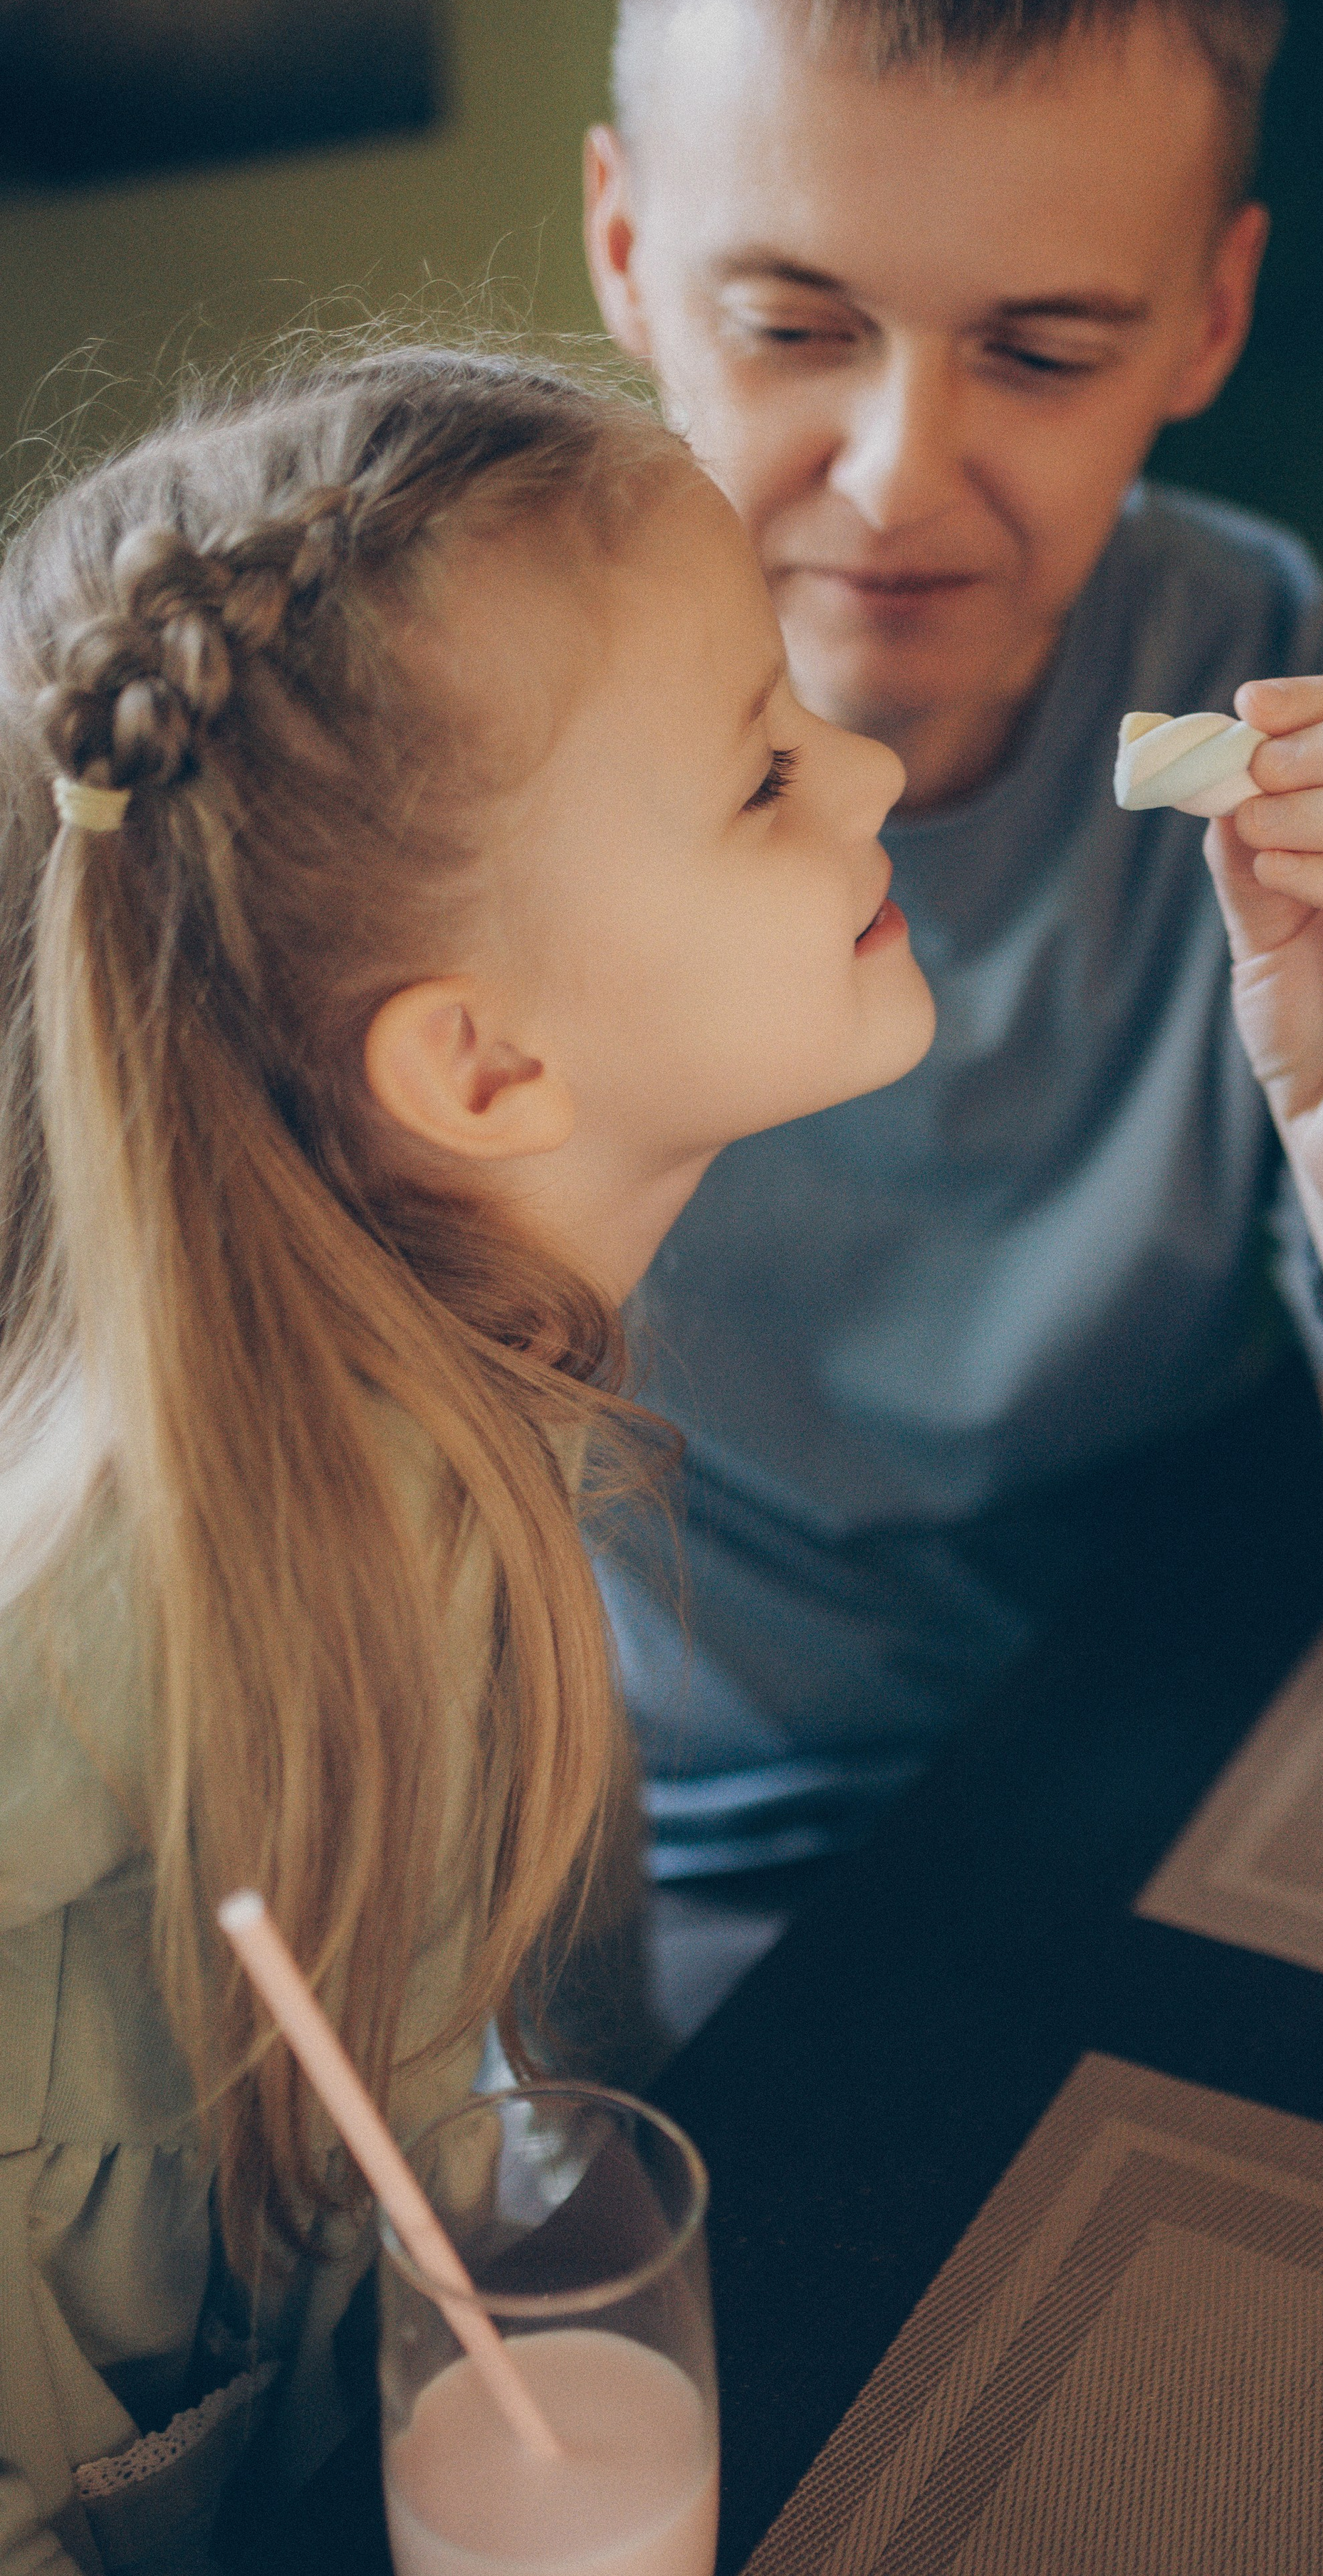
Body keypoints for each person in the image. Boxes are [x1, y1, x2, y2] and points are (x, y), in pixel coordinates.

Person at [580, 0, 1323, 1954]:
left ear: (1212, 317)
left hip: (1112, 1799)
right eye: (795, 322)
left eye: (1043, 352)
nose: (897, 474)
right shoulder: (449, 733)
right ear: (623, 244)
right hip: (553, 1835)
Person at [0, 346, 934, 2574]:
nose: (878, 767)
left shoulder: (465, 1389)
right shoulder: (129, 1592)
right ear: (490, 1064)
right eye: (761, 777)